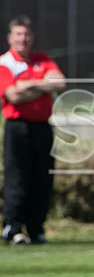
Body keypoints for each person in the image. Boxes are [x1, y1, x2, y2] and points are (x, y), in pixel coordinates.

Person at [0, 15, 65, 245]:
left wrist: (28, 84)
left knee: (42, 178)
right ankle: (13, 226)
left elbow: (59, 82)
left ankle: (36, 228)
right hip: (18, 127)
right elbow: (13, 95)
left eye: (26, 34)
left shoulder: (42, 59)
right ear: (10, 37)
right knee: (17, 178)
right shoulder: (5, 62)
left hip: (43, 127)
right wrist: (42, 85)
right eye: (18, 34)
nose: (23, 39)